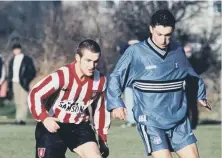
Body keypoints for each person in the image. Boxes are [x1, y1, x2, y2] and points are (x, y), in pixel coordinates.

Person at [106, 10, 211, 158]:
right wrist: (116, 103)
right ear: (151, 29)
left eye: (168, 35)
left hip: (178, 120)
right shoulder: (136, 52)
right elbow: (116, 76)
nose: (163, 40)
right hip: (151, 121)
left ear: (173, 31)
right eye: (159, 34)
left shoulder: (177, 50)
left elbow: (190, 74)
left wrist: (200, 93)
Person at [27, 39, 110, 158]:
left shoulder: (100, 81)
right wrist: (45, 118)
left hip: (78, 126)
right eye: (88, 60)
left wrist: (103, 139)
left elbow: (100, 110)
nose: (92, 66)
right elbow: (35, 93)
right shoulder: (62, 76)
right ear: (77, 58)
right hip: (53, 124)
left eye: (95, 61)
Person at [8, 43, 36, 125]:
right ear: (13, 51)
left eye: (17, 49)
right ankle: (17, 119)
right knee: (17, 102)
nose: (16, 51)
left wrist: (27, 81)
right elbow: (10, 73)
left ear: (20, 50)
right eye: (14, 50)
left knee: (23, 101)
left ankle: (22, 120)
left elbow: (32, 72)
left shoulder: (27, 59)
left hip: (23, 83)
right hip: (14, 82)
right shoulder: (12, 60)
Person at [118, 40, 139, 128]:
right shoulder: (127, 56)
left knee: (139, 103)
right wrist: (128, 43)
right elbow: (122, 49)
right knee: (130, 103)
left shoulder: (141, 55)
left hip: (139, 84)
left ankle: (138, 120)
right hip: (129, 84)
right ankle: (131, 121)